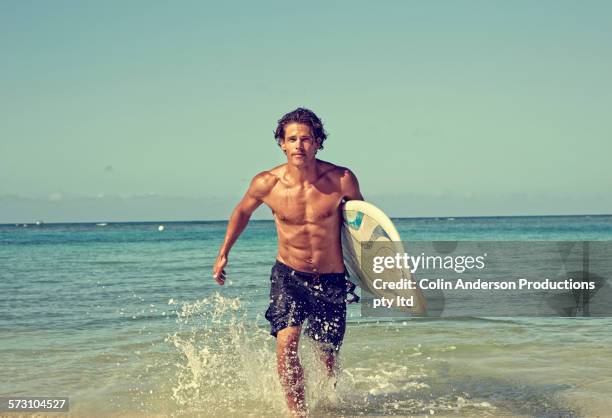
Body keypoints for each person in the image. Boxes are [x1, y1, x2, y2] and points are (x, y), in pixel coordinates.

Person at [212, 107, 363, 417]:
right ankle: (298, 413)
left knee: (327, 355)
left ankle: (331, 403)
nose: (299, 145)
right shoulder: (267, 183)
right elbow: (242, 212)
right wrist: (224, 251)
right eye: (292, 139)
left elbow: (364, 225)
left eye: (306, 139)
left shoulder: (341, 179)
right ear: (281, 143)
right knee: (286, 344)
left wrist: (379, 270)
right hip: (289, 276)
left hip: (332, 278)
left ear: (319, 142)